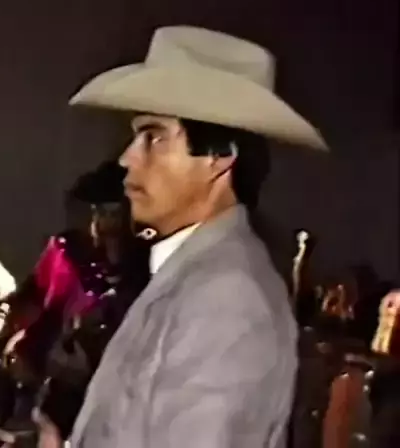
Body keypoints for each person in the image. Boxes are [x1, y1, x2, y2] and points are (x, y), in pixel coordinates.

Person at [36, 26, 329, 448]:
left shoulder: (229, 298)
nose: (127, 158)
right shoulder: (194, 275)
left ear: (219, 157)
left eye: (154, 137)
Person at [1, 160, 149, 440]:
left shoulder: (146, 276)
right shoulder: (65, 250)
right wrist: (19, 328)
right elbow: (35, 297)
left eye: (111, 214)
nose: (98, 225)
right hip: (37, 397)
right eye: (95, 212)